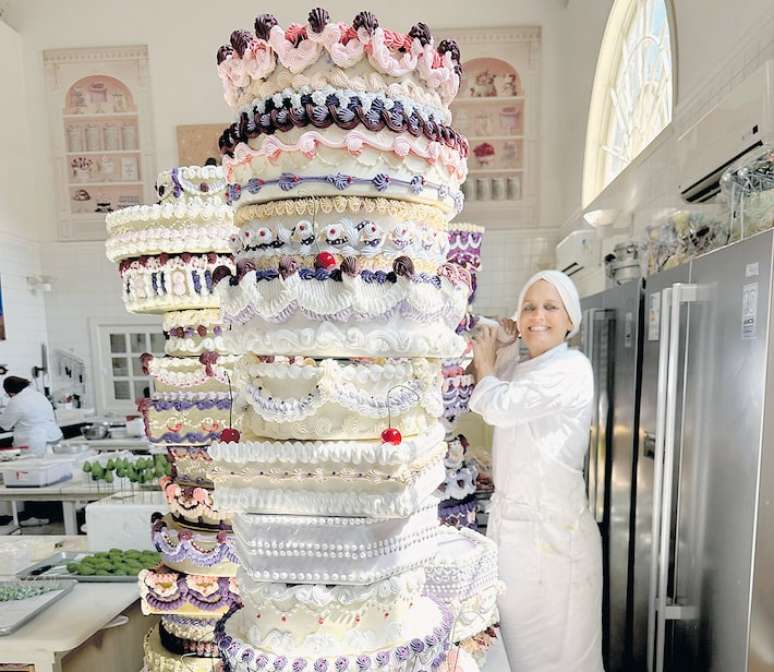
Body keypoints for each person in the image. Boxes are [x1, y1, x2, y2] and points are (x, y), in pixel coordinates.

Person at [468, 270, 603, 672]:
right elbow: (501, 382)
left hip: (554, 543)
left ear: (569, 320)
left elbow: (497, 404)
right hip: (517, 541)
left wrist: (485, 361)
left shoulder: (571, 367)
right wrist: (504, 343)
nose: (537, 316)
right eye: (528, 307)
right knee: (519, 655)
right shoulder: (529, 367)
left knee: (561, 657)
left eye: (549, 307)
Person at [0, 376, 63, 457]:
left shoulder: (16, 400)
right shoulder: (38, 394)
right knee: (53, 466)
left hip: (36, 442)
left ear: (11, 392)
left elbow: (5, 425)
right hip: (54, 436)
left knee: (36, 467)